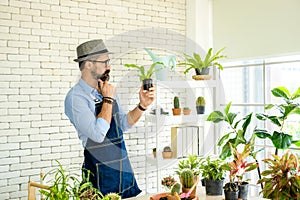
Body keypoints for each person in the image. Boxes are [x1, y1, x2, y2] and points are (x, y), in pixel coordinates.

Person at [64, 39, 155, 198]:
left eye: (109, 61)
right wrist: (107, 99)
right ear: (88, 64)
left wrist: (142, 105)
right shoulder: (75, 98)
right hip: (99, 175)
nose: (109, 66)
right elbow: (98, 135)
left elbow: (123, 125)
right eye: (104, 62)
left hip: (122, 169)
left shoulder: (107, 90)